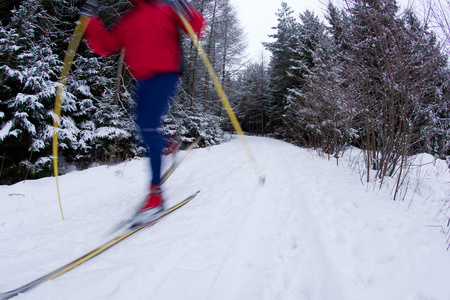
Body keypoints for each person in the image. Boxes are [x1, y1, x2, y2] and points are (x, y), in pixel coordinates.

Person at [79, 0, 206, 223]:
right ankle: (167, 143)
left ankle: (155, 195)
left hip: (166, 73)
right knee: (142, 129)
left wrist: (182, 6)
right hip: (143, 79)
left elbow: (196, 26)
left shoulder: (165, 7)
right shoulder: (129, 18)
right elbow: (106, 45)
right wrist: (91, 20)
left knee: (147, 127)